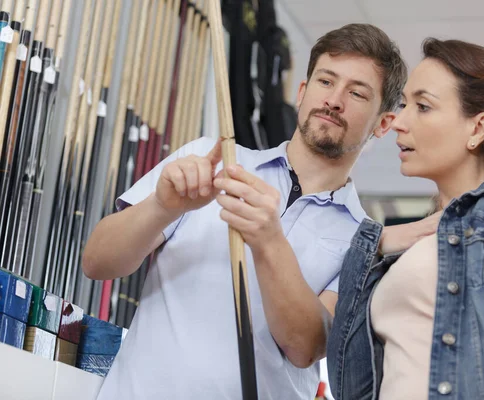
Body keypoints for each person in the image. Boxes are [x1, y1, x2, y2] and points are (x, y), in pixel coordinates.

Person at [82, 23, 438, 400]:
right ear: (302, 93)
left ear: (383, 123)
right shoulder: (211, 160)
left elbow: (307, 346)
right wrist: (162, 207)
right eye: (326, 81)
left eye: (357, 93)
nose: (335, 100)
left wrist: (269, 239)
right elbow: (96, 263)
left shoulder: (364, 240)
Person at [327, 37, 484, 400]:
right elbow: (350, 385)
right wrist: (374, 245)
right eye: (404, 104)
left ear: (478, 127)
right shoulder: (410, 244)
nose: (399, 121)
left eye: (423, 107)